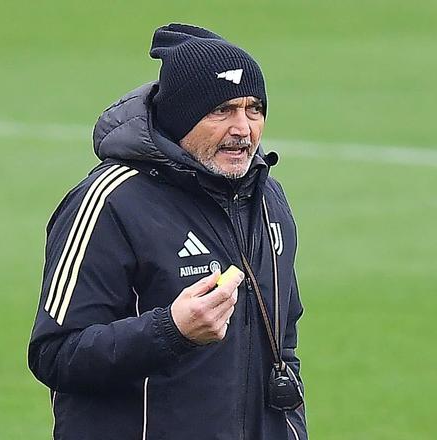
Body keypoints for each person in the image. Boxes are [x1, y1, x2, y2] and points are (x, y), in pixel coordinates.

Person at [28, 23, 307, 440]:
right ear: (180, 117)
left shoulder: (267, 200)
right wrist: (171, 331)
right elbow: (55, 354)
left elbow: (283, 345)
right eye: (222, 110)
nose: (243, 129)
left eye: (254, 109)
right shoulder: (111, 202)